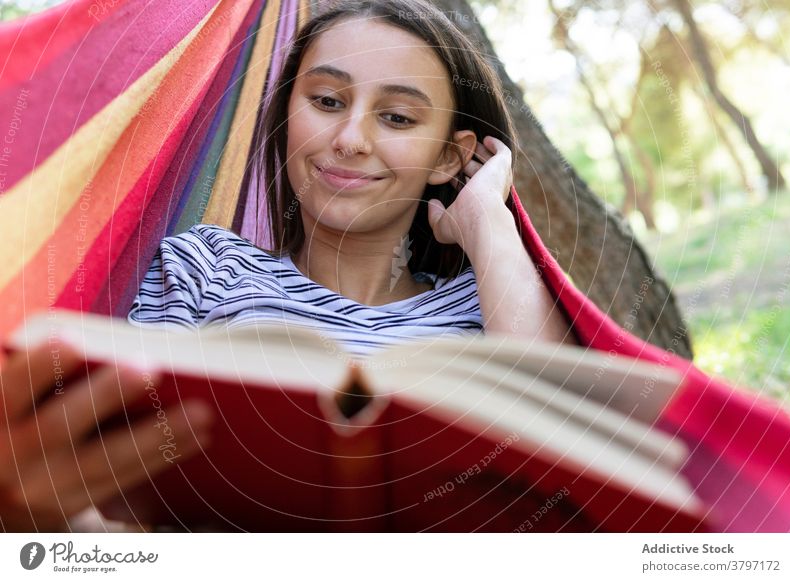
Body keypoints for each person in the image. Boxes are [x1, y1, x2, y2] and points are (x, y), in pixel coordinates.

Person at [0, 0, 573, 531]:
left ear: (448, 155)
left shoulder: (494, 302)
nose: (350, 139)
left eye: (397, 118)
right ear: (288, 117)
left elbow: (564, 450)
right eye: (326, 102)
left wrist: (487, 223)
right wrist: (41, 521)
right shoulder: (201, 269)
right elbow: (116, 506)